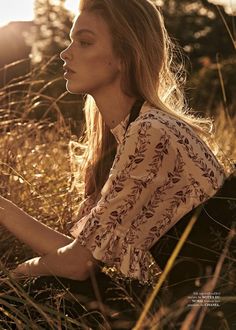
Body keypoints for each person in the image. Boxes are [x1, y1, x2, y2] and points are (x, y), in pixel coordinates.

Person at [0, 0, 233, 285]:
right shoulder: (128, 134)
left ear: (125, 56)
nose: (65, 53)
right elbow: (82, 255)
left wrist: (18, 275)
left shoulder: (151, 132)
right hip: (196, 303)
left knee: (45, 287)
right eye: (71, 41)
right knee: (51, 286)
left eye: (84, 43)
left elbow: (77, 265)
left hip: (212, 309)